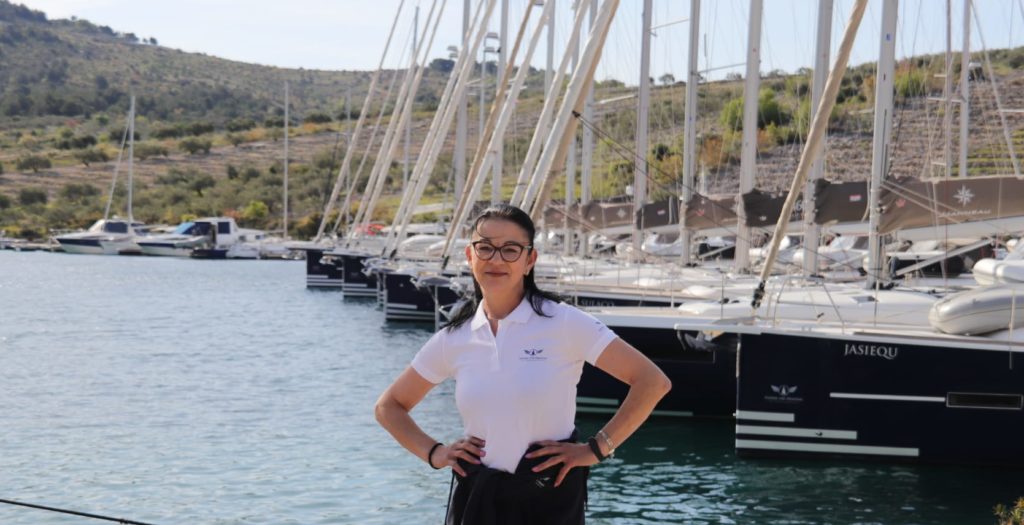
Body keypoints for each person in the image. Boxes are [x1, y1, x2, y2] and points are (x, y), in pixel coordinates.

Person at [375, 204, 671, 524]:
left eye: (511, 249)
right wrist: (436, 453)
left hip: (549, 497)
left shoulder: (564, 322)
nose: (496, 259)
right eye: (485, 247)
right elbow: (389, 407)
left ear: (530, 260)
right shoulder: (454, 338)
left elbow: (652, 382)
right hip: (477, 498)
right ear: (470, 255)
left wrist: (597, 449)